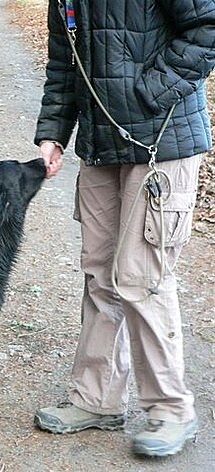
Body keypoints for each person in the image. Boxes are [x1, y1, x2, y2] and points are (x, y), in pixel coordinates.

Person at [33, 0, 215, 458]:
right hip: (101, 144)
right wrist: (54, 130)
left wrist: (148, 91)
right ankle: (96, 398)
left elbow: (207, 26)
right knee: (100, 275)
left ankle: (171, 409)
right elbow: (64, 59)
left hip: (162, 142)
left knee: (142, 279)